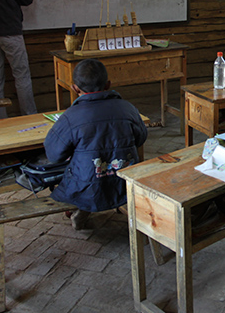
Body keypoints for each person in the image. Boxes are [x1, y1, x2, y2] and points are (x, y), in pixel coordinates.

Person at [44, 59, 148, 230]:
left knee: (77, 165)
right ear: (108, 85)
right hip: (124, 183)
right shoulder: (127, 108)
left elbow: (54, 156)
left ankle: (82, 211)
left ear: (74, 88)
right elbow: (141, 138)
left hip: (86, 189)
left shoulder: (70, 117)